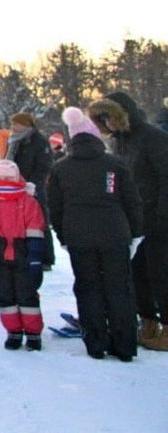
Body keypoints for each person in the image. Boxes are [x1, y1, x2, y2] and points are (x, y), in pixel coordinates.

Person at [49, 107, 143, 361]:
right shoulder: (115, 164)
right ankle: (124, 345)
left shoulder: (61, 168)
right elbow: (131, 201)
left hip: (79, 236)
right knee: (119, 288)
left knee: (88, 286)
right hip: (115, 232)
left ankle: (96, 343)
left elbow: (55, 208)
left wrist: (62, 236)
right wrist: (136, 233)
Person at [88, 92, 168, 350]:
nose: (107, 123)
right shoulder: (119, 142)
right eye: (103, 119)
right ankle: (147, 320)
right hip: (131, 220)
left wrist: (162, 215)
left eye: (109, 116)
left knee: (161, 273)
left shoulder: (153, 137)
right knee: (137, 273)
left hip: (157, 218)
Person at [0, 159, 48, 351]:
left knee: (27, 296)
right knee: (6, 296)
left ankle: (33, 333)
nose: (4, 181)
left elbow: (36, 230)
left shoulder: (28, 202)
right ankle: (13, 331)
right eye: (0, 178)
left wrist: (34, 256)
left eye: (8, 178)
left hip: (23, 253)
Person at [6, 112, 55, 269]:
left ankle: (46, 258)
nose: (13, 127)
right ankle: (25, 253)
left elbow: (44, 165)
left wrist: (33, 184)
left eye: (16, 124)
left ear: (26, 125)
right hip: (15, 186)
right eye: (12, 124)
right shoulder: (13, 140)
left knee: (40, 220)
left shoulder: (39, 140)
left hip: (34, 187)